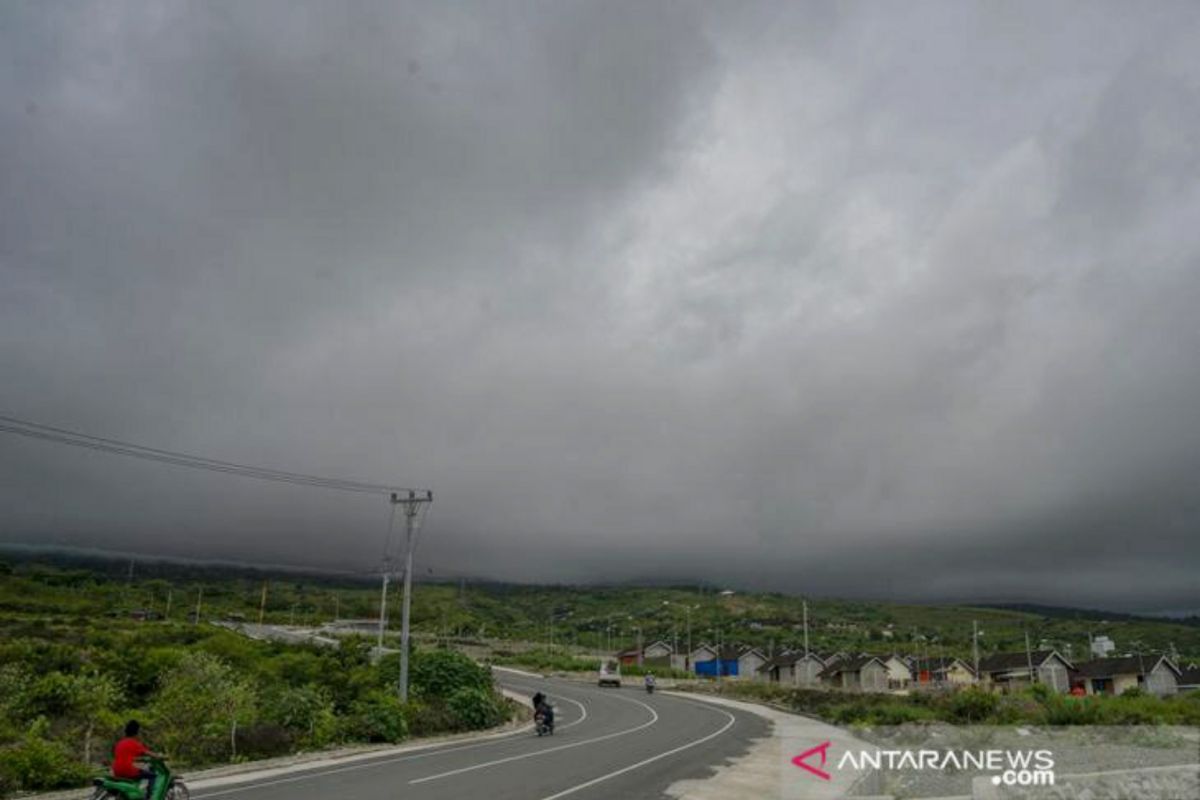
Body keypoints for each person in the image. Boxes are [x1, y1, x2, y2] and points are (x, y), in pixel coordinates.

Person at [111, 720, 161, 800]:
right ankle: (151, 796)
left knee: (140, 772)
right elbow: (147, 753)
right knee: (153, 776)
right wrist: (158, 756)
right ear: (136, 732)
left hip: (116, 770)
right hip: (128, 770)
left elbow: (126, 755)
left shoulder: (120, 743)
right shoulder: (134, 743)